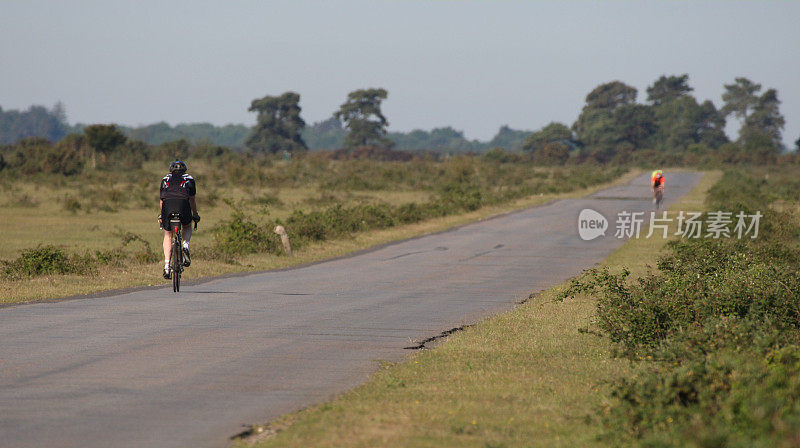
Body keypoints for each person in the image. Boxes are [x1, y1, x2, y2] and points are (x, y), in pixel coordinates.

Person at [158, 160, 200, 279]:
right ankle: (185, 245)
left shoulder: (165, 179)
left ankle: (167, 266)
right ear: (184, 170)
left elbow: (162, 200)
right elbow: (191, 199)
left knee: (168, 234)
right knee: (187, 226)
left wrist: (161, 215)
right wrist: (195, 214)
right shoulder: (189, 179)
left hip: (167, 205)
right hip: (182, 204)